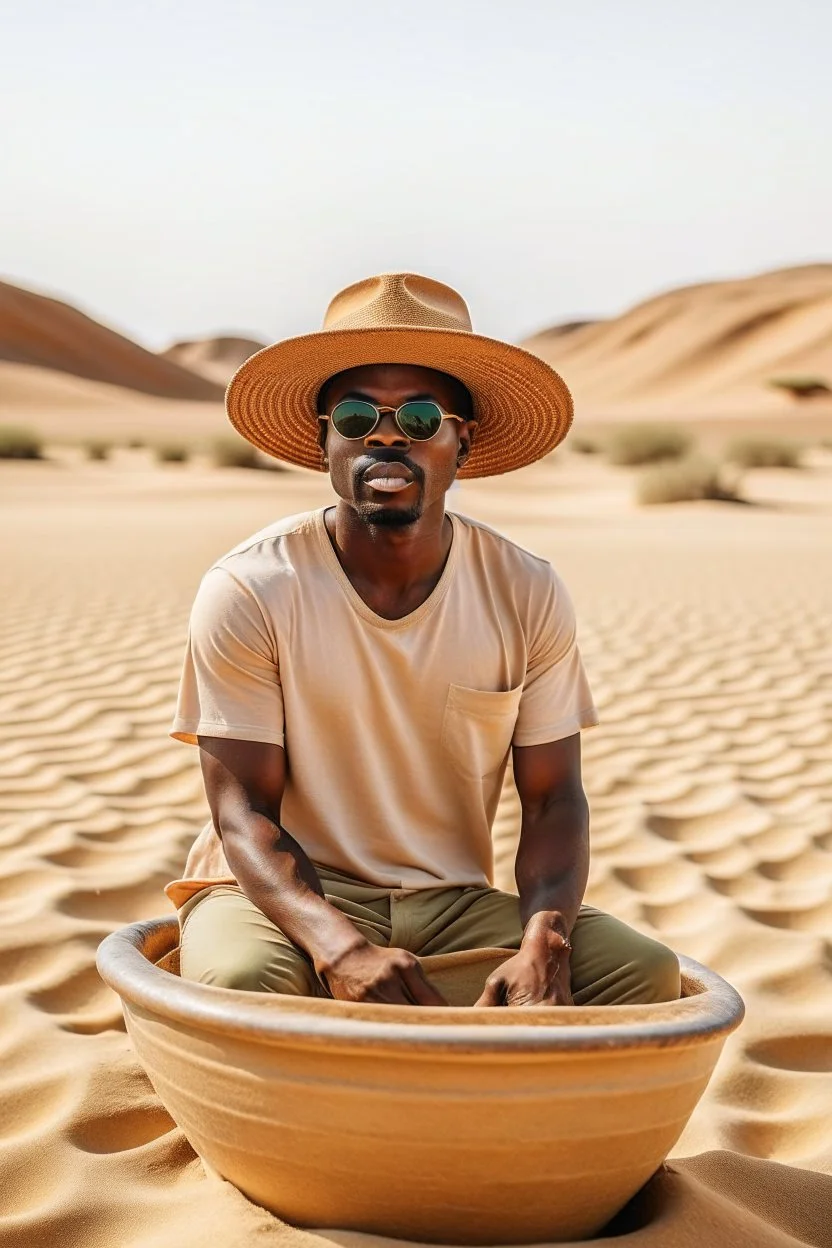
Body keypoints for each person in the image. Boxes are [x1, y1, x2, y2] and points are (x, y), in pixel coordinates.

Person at [165, 272, 680, 1009]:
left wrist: (545, 940)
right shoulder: (251, 588)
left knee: (643, 974)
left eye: (417, 417)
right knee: (247, 987)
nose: (382, 434)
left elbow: (554, 799)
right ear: (323, 442)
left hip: (451, 901)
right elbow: (242, 811)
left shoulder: (523, 588)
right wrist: (339, 948)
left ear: (461, 440)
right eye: (352, 416)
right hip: (281, 898)